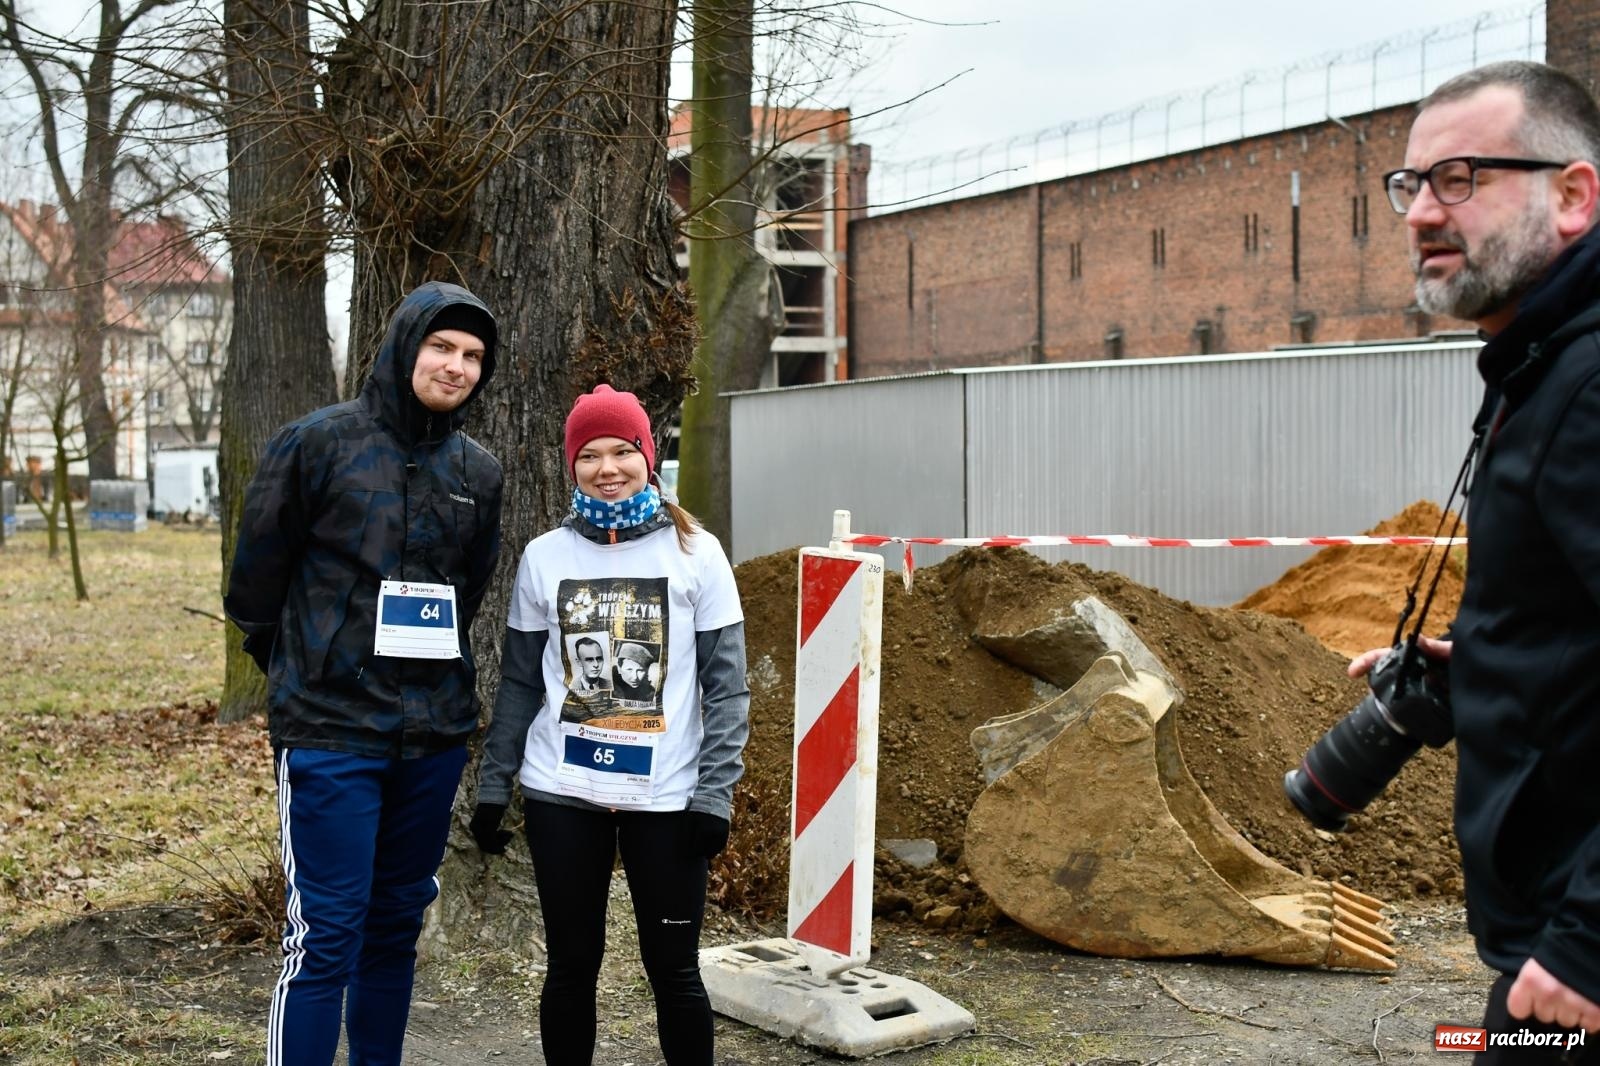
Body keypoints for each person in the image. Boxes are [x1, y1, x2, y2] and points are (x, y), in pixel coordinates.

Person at [1362, 61, 1600, 1059]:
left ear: (1574, 194)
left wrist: (1589, 942)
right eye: (1411, 184)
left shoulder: (1586, 385)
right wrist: (1488, 667)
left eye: (1459, 177)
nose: (1421, 212)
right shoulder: (1542, 361)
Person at [224, 281, 503, 1066]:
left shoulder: (478, 473)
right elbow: (253, 586)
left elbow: (466, 593)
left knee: (394, 925)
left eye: (473, 356)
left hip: (434, 733)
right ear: (404, 345)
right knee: (328, 933)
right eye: (441, 347)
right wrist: (308, 666)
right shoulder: (315, 444)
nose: (455, 366)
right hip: (330, 729)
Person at [470, 383, 749, 1066]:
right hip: (562, 792)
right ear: (572, 466)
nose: (607, 468)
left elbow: (728, 689)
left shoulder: (697, 554)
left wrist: (716, 794)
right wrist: (493, 784)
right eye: (589, 454)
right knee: (570, 967)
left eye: (622, 450)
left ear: (647, 456)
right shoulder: (545, 557)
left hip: (668, 798)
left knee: (675, 972)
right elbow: (517, 683)